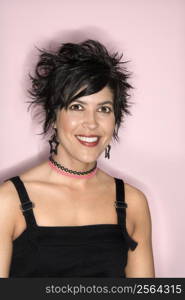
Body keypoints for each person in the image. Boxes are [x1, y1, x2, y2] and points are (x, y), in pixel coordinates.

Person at [0, 39, 155, 278]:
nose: (91, 123)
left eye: (104, 109)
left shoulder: (133, 202)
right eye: (76, 107)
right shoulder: (8, 201)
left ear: (116, 118)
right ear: (53, 115)